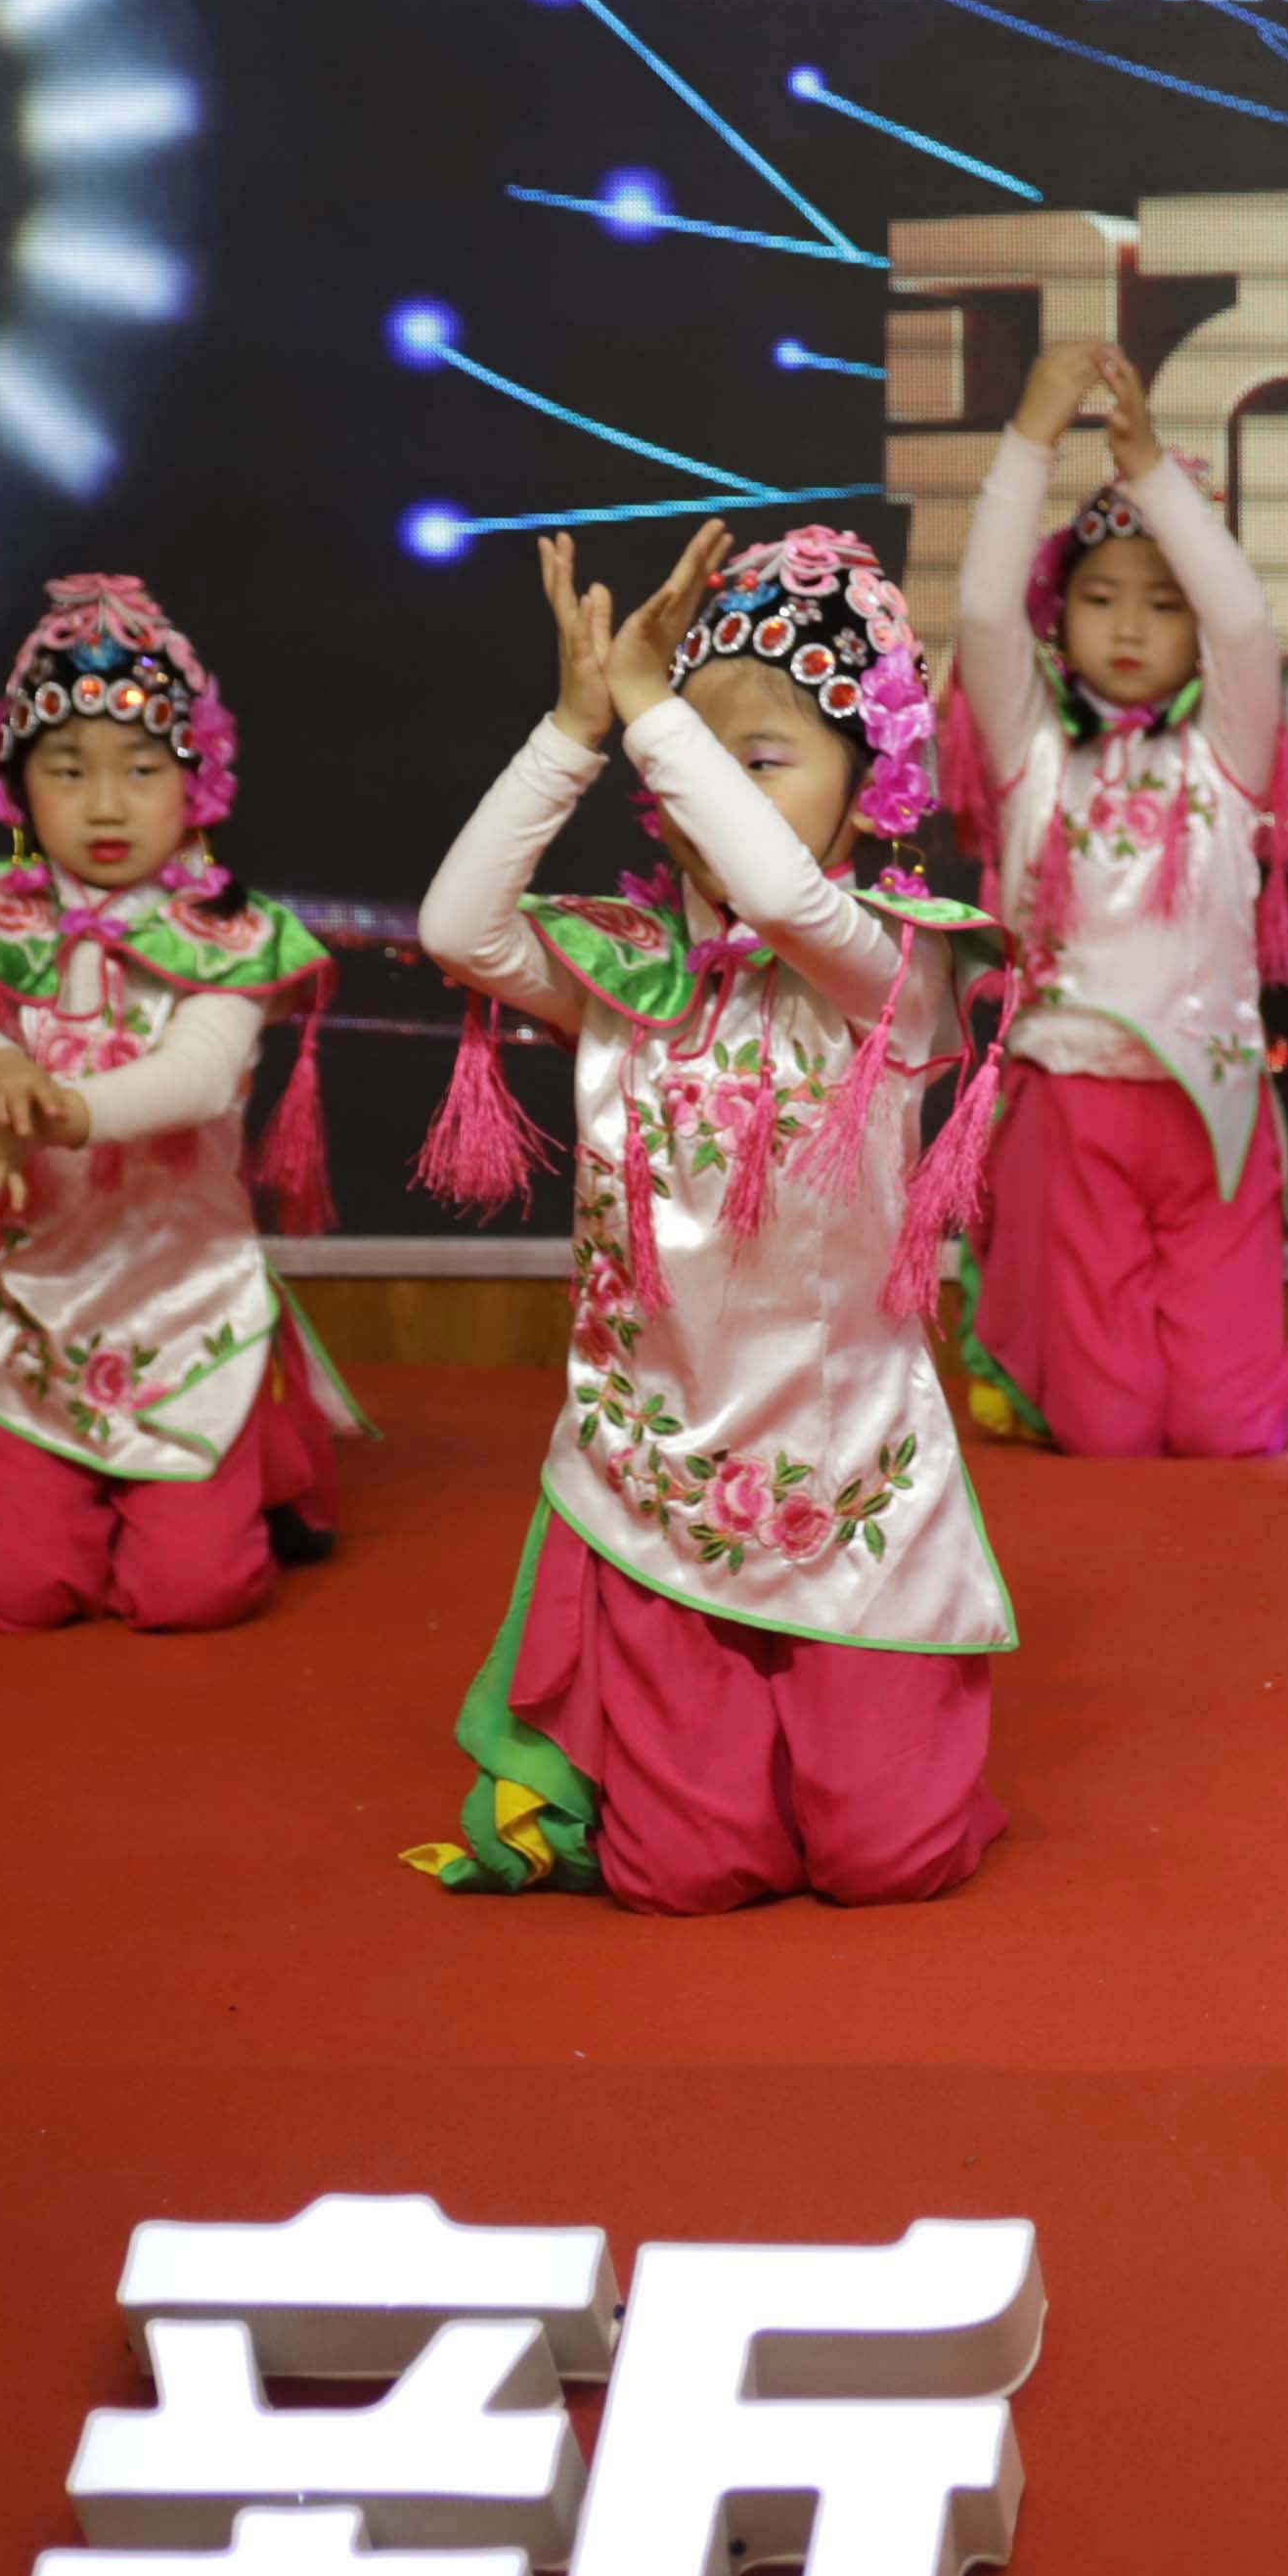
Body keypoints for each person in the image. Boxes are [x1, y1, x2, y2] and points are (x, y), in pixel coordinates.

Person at [403, 521, 1013, 1913]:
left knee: (891, 1863)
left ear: (872, 781)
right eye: (682, 759)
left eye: (765, 759)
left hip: (849, 1483)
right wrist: (578, 724)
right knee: (683, 1875)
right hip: (661, 1484)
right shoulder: (627, 970)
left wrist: (657, 704)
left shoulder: (894, 967)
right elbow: (456, 928)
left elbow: (786, 892)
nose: (704, 787)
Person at [0, 572, 357, 1632]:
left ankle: (241, 1464)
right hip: (26, 1304)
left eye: (142, 770)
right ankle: (80, 1494)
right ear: (17, 784)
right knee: (15, 1597)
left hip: (181, 1304)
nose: (105, 804)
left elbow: (198, 1074)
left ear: (196, 781)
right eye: (68, 770)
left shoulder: (230, 932)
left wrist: (52, 1110)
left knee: (192, 1596)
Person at [948, 333, 1288, 1457]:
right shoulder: (1029, 752)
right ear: (1060, 612)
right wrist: (1032, 436)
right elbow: (981, 616)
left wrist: (1146, 471)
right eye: (1101, 597)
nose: (1129, 627)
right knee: (1110, 1431)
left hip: (1212, 1108)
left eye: (1163, 603)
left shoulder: (1226, 752)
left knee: (1232, 1429)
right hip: (1070, 1102)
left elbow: (1247, 625)